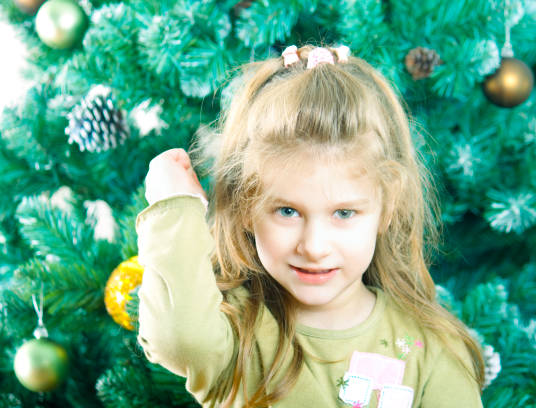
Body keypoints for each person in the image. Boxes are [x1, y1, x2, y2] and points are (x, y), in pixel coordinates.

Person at [136, 44, 485, 408]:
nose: (315, 247)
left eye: (344, 213)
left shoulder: (432, 351)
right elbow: (178, 338)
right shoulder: (236, 335)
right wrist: (175, 208)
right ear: (244, 207)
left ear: (388, 206)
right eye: (287, 211)